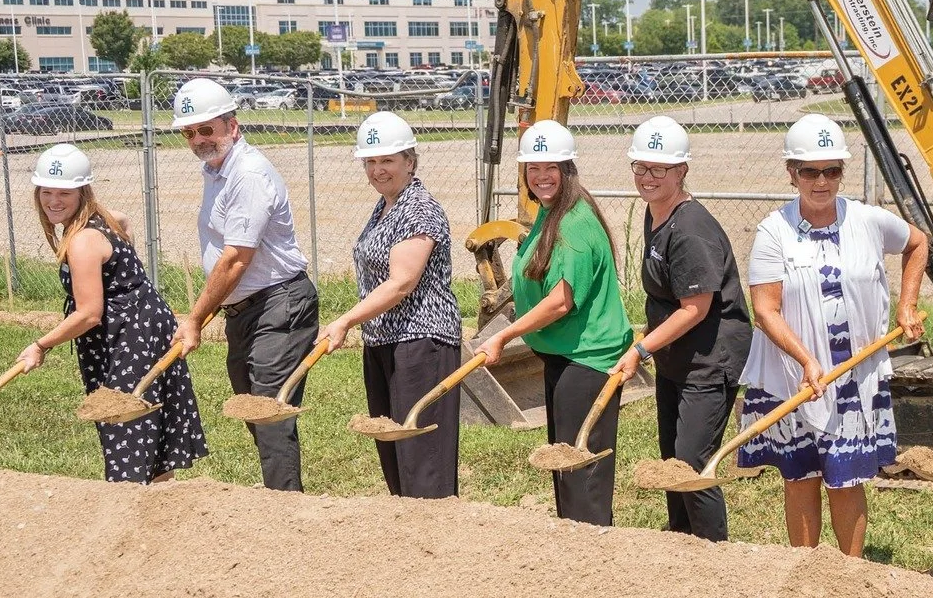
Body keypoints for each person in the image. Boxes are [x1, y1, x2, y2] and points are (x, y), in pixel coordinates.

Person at [738, 114, 929, 555]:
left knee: (846, 477)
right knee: (801, 475)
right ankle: (804, 569)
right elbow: (765, 309)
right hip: (795, 374)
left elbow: (918, 242)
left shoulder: (868, 221)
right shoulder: (773, 232)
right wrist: (806, 360)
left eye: (831, 170)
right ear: (792, 174)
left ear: (842, 172)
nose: (821, 181)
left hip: (854, 376)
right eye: (809, 171)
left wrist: (906, 304)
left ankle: (849, 574)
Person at [19, 142, 206, 483]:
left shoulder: (82, 241)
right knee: (151, 425)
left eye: (64, 193)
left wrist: (40, 345)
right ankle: (160, 502)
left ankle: (128, 506)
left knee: (125, 426)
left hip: (128, 337)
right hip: (147, 324)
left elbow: (89, 313)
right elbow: (125, 221)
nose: (53, 201)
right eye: (46, 192)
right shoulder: (104, 219)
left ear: (82, 192)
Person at [479, 118, 633, 525]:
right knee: (565, 462)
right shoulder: (553, 214)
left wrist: (503, 336)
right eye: (534, 168)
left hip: (588, 360)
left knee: (581, 470)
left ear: (568, 170)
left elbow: (559, 302)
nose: (542, 176)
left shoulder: (574, 225)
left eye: (552, 168)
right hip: (565, 357)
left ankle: (591, 552)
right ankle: (573, 545)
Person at [171, 77, 320, 492]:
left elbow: (236, 259)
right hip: (246, 310)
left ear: (232, 126)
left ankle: (284, 506)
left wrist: (195, 318)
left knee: (268, 406)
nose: (199, 139)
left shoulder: (249, 173)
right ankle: (279, 490)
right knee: (249, 402)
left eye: (207, 129)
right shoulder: (218, 169)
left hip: (280, 303)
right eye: (190, 132)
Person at [611, 115, 752, 542]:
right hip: (677, 356)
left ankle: (711, 549)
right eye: (641, 167)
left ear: (681, 171)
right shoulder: (655, 213)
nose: (647, 177)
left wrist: (641, 350)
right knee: (671, 454)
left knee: (691, 461)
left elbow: (695, 307)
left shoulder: (690, 227)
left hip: (709, 359)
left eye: (660, 169)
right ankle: (680, 540)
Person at [320, 113, 466, 499]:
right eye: (370, 161)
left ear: (410, 162)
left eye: (387, 160)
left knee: (421, 454)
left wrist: (346, 320)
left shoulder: (418, 209)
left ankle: (434, 537)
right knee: (394, 447)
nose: (377, 169)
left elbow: (401, 282)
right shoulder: (386, 206)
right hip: (385, 340)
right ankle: (405, 536)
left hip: (421, 341)